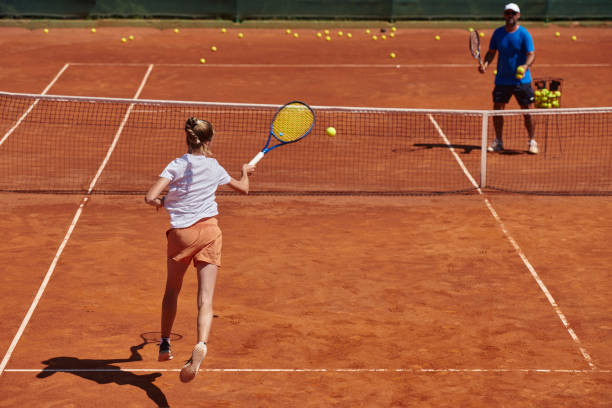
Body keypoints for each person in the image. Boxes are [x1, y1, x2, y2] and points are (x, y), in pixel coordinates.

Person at [145, 117, 255, 383]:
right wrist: (244, 171)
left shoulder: (177, 165)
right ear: (209, 140)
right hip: (209, 234)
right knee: (205, 298)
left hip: (181, 237)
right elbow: (243, 189)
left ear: (188, 138)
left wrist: (163, 201)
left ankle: (164, 344)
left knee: (172, 290)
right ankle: (201, 344)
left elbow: (149, 197)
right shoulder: (214, 167)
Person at [478, 3, 538, 154]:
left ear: (518, 15)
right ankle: (498, 141)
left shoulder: (524, 34)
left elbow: (531, 54)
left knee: (528, 112)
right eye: (507, 13)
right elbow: (491, 52)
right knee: (498, 110)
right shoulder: (498, 33)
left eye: (513, 13)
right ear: (504, 15)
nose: (510, 15)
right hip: (502, 80)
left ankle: (532, 141)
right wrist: (485, 63)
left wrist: (525, 66)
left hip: (521, 81)